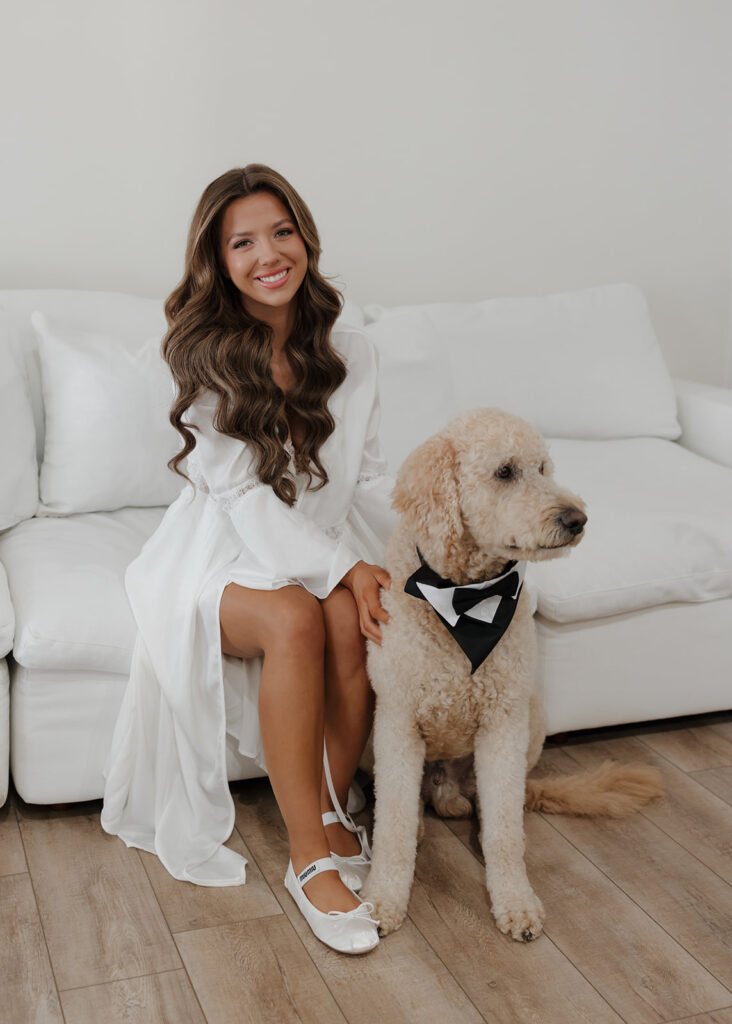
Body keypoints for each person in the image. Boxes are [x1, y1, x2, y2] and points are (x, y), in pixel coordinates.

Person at [101, 164, 397, 954]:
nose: (268, 253)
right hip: (216, 550)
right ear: (217, 260)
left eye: (281, 231)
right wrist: (339, 566)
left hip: (313, 534)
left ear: (305, 237)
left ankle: (334, 809)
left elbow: (365, 476)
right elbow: (242, 502)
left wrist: (391, 560)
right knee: (298, 614)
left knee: (352, 612)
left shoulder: (355, 349)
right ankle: (308, 858)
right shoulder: (201, 354)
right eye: (243, 242)